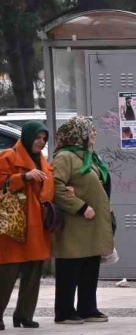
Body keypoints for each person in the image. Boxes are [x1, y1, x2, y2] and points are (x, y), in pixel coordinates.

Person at [52, 117, 113, 325]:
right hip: (74, 224)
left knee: (89, 265)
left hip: (91, 224)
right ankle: (64, 310)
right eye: (90, 131)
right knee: (70, 266)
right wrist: (80, 206)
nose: (94, 134)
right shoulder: (65, 157)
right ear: (78, 135)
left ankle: (87, 308)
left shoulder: (89, 157)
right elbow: (56, 186)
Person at [0, 122, 54, 329]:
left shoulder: (43, 160)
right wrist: (24, 177)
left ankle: (24, 315)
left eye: (44, 138)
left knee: (33, 271)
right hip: (14, 225)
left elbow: (48, 185)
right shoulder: (9, 157)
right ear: (27, 137)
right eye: (37, 138)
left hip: (36, 224)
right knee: (7, 273)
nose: (41, 142)